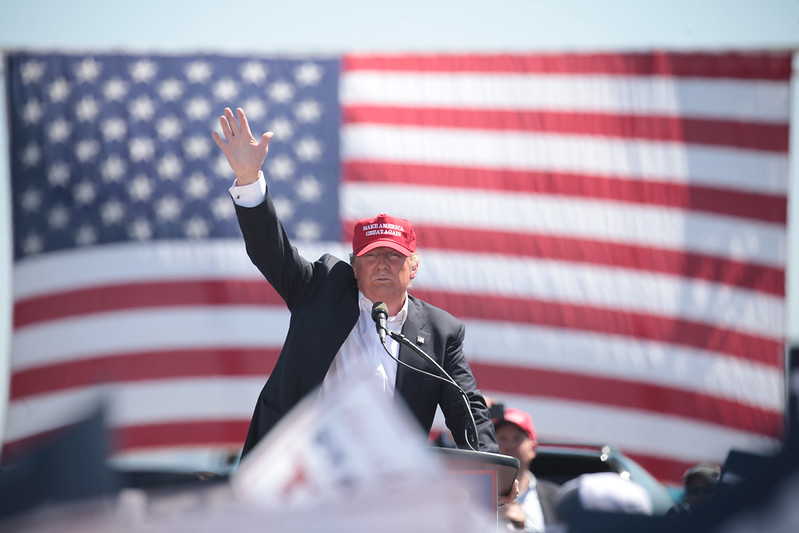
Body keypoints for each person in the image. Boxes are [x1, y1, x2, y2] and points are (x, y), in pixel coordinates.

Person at [212, 107, 498, 459]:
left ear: (414, 267)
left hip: (383, 487)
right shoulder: (320, 289)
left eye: (393, 256)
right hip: (302, 475)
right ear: (354, 266)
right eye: (371, 256)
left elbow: (466, 406)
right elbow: (271, 251)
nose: (382, 265)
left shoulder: (441, 333)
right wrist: (248, 179)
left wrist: (492, 465)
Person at [492, 406, 559, 532]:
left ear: (532, 448)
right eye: (502, 438)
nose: (510, 445)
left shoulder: (557, 498)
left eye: (517, 438)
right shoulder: (476, 495)